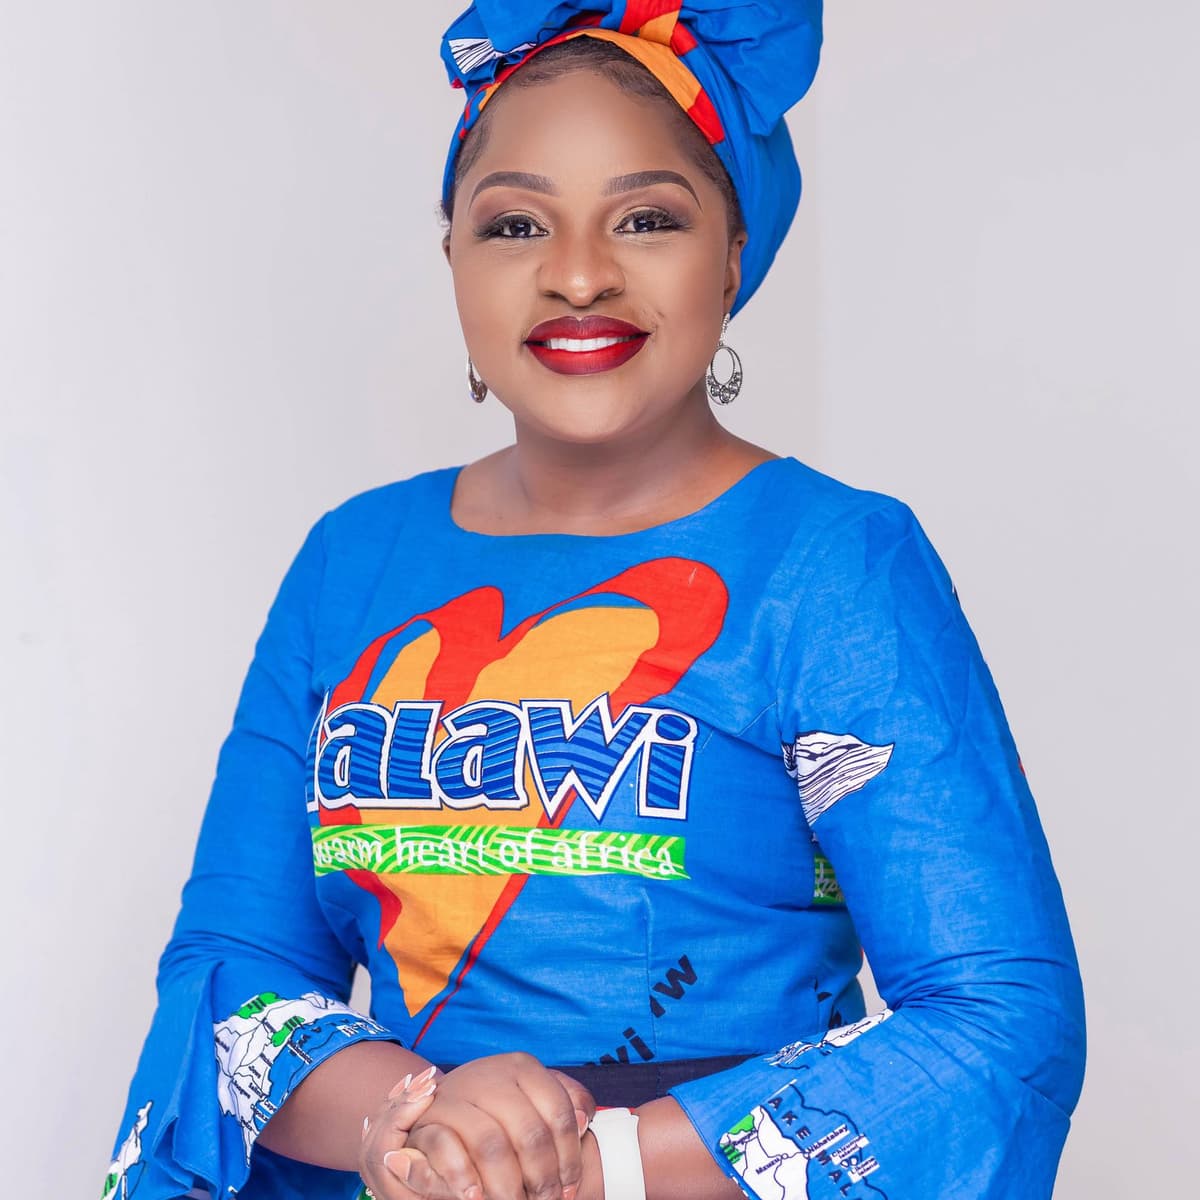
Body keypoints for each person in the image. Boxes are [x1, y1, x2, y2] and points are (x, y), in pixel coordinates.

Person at [104, 3, 1086, 1199]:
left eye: (647, 219)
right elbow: (232, 971)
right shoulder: (350, 560)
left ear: (733, 253)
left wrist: (590, 1165)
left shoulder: (835, 563)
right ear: (455, 258)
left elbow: (996, 1019)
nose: (577, 275)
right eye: (515, 223)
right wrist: (413, 1125)